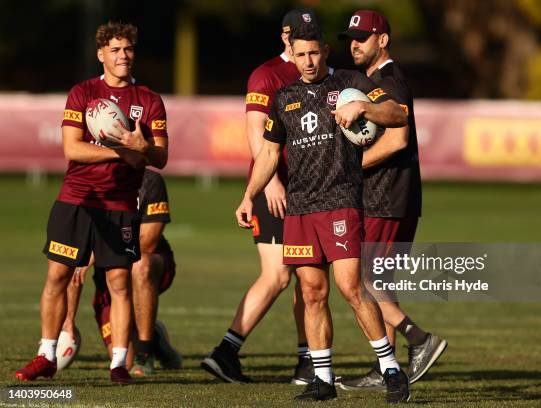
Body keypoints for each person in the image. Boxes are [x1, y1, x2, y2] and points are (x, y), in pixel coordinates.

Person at [235, 23, 411, 403]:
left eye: (314, 53)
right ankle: (323, 379)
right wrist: (249, 195)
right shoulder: (284, 97)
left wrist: (364, 107)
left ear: (325, 51)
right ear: (292, 55)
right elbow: (268, 154)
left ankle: (391, 370)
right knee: (312, 293)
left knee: (351, 287)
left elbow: (397, 114)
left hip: (340, 201)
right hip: (299, 209)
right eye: (300, 54)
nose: (308, 61)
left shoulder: (351, 82)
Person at [15, 21, 168, 384]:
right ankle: (46, 355)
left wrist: (141, 147)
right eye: (115, 50)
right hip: (77, 198)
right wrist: (122, 152)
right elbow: (72, 149)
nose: (123, 56)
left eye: (128, 49)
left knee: (118, 281)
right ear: (101, 54)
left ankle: (118, 364)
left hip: (120, 205)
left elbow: (159, 158)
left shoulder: (149, 100)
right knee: (58, 275)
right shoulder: (82, 93)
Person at [201, 8, 319, 385]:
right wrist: (270, 184)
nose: (298, 39)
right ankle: (225, 352)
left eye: (307, 33)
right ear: (284, 36)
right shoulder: (267, 75)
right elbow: (255, 134)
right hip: (275, 191)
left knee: (307, 276)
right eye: (294, 34)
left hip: (309, 191)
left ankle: (308, 361)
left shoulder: (316, 74)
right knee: (278, 275)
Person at [336, 10, 448, 391]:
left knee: (365, 283)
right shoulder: (373, 80)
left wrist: (353, 167)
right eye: (351, 37)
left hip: (388, 197)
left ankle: (419, 339)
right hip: (388, 197)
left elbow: (398, 136)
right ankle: (388, 368)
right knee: (379, 281)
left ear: (382, 40)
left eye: (363, 37)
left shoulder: (388, 80)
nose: (354, 43)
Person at [62, 169, 182, 375]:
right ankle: (154, 334)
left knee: (140, 264)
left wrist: (98, 251)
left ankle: (144, 353)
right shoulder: (86, 184)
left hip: (150, 266)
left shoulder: (150, 181)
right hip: (109, 284)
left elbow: (148, 243)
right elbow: (71, 267)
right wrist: (68, 322)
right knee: (123, 363)